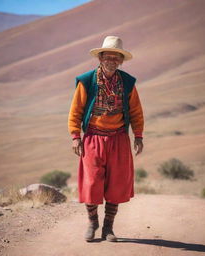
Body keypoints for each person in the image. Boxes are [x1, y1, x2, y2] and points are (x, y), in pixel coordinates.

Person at [68, 35, 144, 242]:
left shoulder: (127, 83)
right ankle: (92, 223)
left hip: (119, 139)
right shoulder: (86, 81)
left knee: (116, 184)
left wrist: (138, 136)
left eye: (116, 57)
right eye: (107, 56)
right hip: (93, 138)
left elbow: (136, 111)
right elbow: (75, 111)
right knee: (92, 183)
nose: (111, 60)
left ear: (120, 60)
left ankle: (108, 228)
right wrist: (76, 137)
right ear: (100, 58)